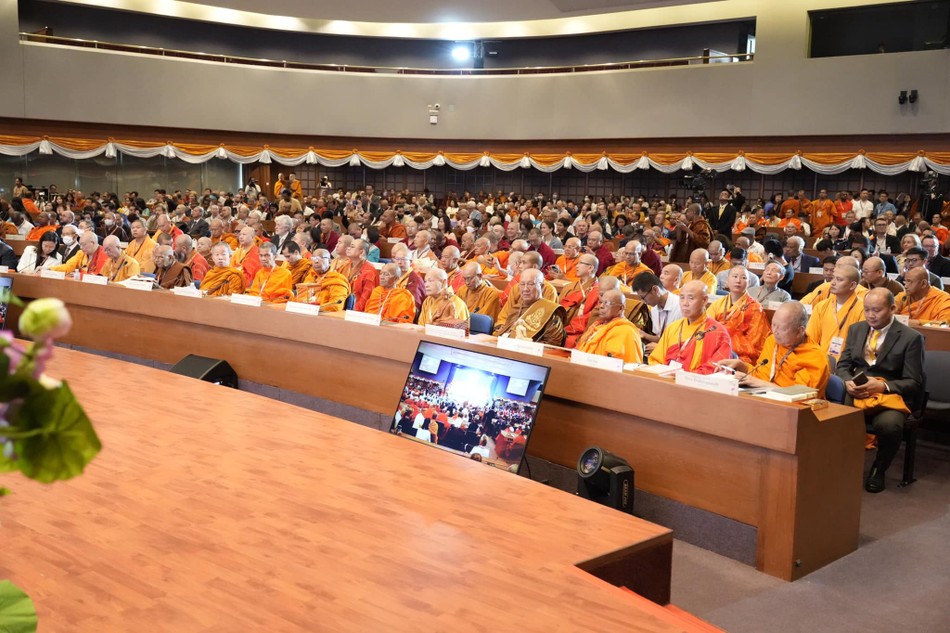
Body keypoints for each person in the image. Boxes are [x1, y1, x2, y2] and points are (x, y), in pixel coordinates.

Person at [836, 288, 925, 493]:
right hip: (857, 391)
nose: (870, 315)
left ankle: (879, 468)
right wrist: (848, 381)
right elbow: (843, 365)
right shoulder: (856, 329)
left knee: (890, 426)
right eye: (866, 310)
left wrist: (882, 386)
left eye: (876, 310)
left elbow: (913, 382)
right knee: (837, 416)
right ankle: (842, 466)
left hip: (890, 395)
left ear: (892, 308)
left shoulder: (911, 338)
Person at [721, 300, 830, 397]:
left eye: (781, 328)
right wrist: (742, 366)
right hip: (762, 398)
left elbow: (800, 397)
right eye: (773, 325)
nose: (775, 331)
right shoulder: (772, 341)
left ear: (800, 331)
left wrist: (762, 384)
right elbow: (761, 375)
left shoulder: (815, 357)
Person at [648, 280, 733, 373]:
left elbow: (717, 369)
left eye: (691, 298)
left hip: (696, 384)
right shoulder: (672, 327)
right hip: (667, 381)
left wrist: (683, 377)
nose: (685, 303)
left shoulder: (718, 333)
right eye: (682, 298)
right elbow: (655, 360)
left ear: (704, 300)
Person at [706, 266, 771, 365]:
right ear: (727, 281)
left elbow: (756, 342)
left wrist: (727, 343)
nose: (738, 281)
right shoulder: (717, 304)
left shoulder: (755, 308)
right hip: (714, 348)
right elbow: (706, 329)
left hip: (739, 356)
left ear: (749, 283)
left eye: (743, 278)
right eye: (735, 276)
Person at [806, 265, 865, 361]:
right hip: (821, 361)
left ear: (852, 285)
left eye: (839, 279)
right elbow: (811, 340)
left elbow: (860, 344)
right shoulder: (821, 306)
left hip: (848, 364)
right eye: (833, 278)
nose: (832, 283)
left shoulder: (863, 308)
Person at [492, 269, 566, 346]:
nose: (525, 289)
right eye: (522, 284)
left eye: (530, 284)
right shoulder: (517, 307)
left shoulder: (549, 311)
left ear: (542, 286)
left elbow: (553, 344)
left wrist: (528, 346)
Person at [575, 289, 644, 364]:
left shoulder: (626, 331)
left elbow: (616, 366)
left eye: (606, 303)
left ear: (621, 308)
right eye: (600, 302)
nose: (601, 306)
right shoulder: (596, 325)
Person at [631, 271, 682, 355]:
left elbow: (685, 343)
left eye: (643, 297)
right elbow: (661, 338)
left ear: (655, 289)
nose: (643, 302)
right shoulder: (654, 308)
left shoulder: (680, 306)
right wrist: (644, 335)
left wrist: (660, 348)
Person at [559, 253, 600, 348]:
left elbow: (593, 318)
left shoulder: (598, 291)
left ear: (590, 268)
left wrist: (569, 328)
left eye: (580, 263)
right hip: (561, 328)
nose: (576, 266)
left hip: (581, 331)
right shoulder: (569, 287)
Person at [391, 242, 427, 312]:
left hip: (404, 312)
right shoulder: (393, 275)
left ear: (410, 261)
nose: (399, 262)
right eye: (397, 259)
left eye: (403, 259)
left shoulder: (415, 280)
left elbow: (413, 305)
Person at [345, 239, 379, 311]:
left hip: (357, 311)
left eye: (352, 247)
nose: (348, 248)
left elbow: (366, 297)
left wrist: (353, 311)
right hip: (341, 305)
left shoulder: (370, 271)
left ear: (362, 252)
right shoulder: (345, 265)